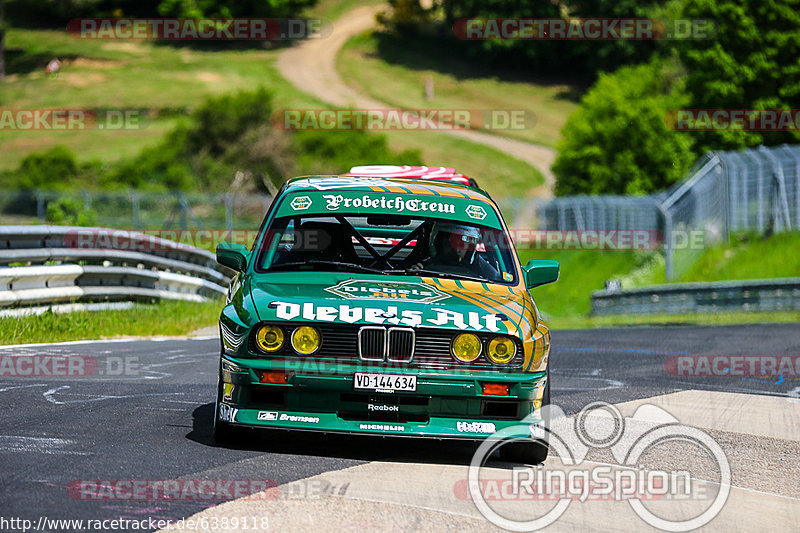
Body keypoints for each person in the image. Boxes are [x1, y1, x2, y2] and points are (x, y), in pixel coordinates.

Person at [409, 222, 498, 280]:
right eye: (450, 244)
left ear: (469, 249)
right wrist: (415, 275)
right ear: (437, 244)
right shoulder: (422, 268)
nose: (456, 250)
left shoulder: (485, 276)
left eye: (462, 245)